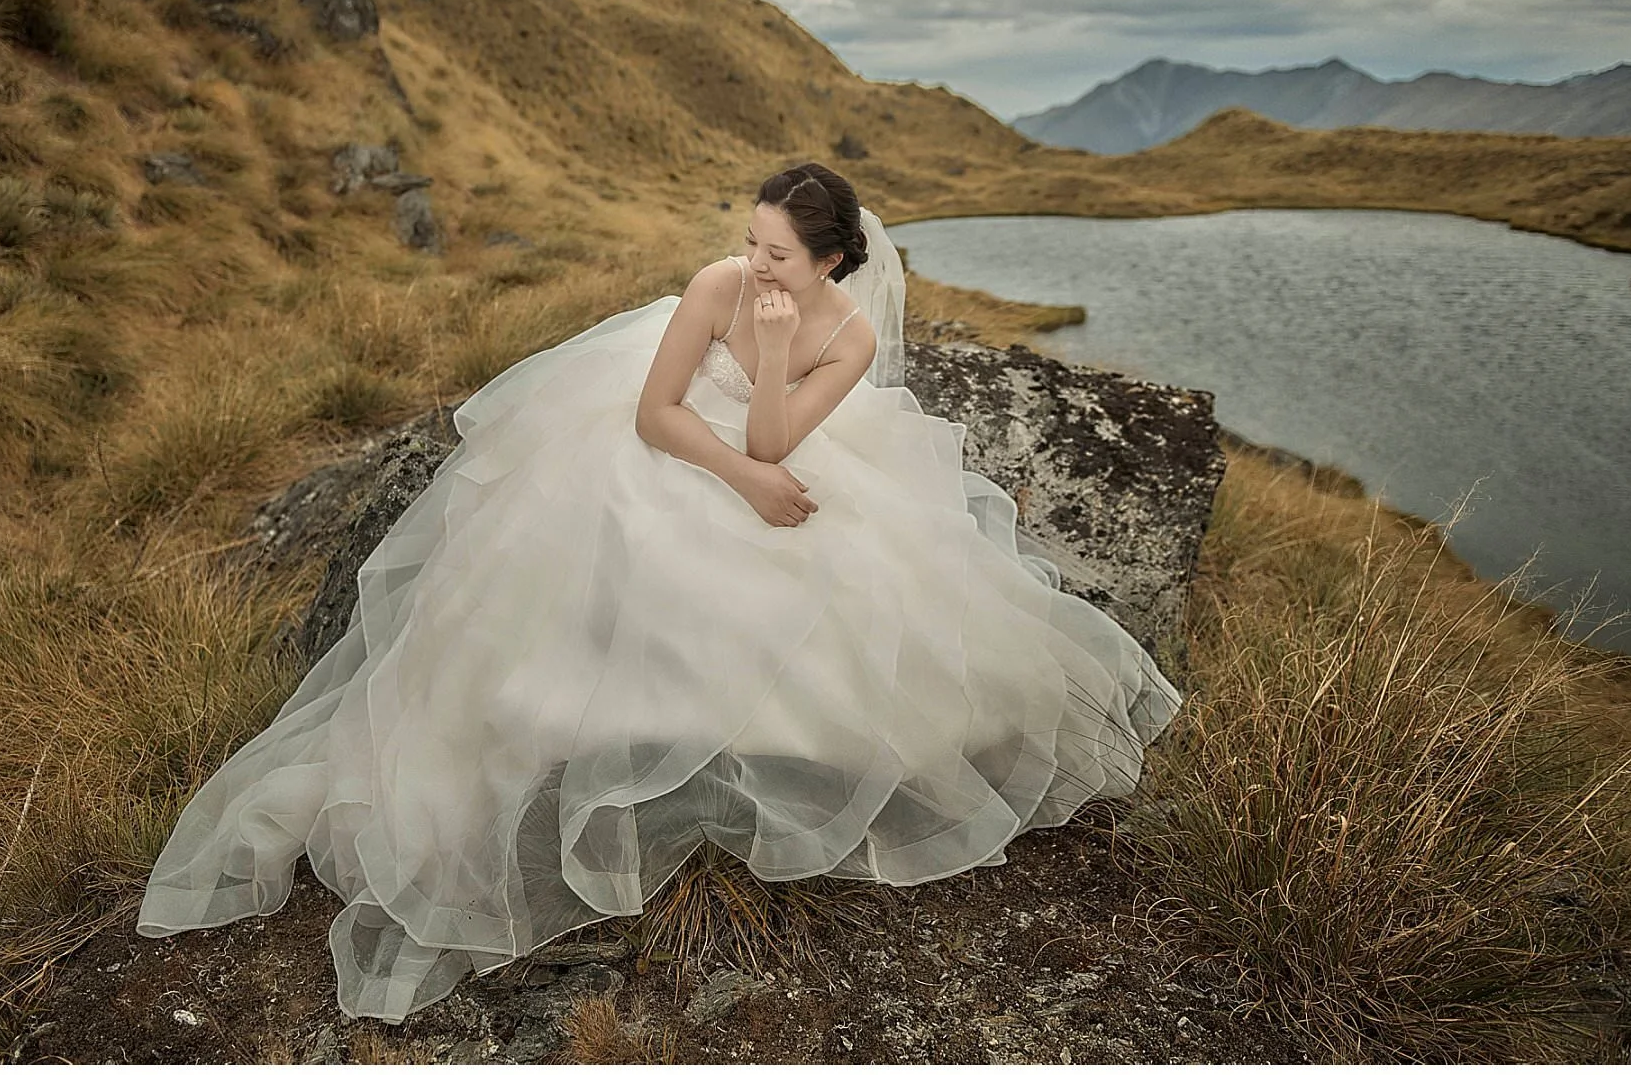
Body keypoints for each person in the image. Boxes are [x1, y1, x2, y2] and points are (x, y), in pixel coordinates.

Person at [136, 161, 1182, 1023]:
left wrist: (776, 359)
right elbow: (656, 414)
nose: (755, 261)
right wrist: (744, 478)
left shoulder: (847, 336)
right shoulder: (714, 286)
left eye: (778, 252)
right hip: (662, 440)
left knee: (835, 618)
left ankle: (735, 758)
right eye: (752, 239)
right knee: (634, 556)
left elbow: (773, 439)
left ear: (829, 261)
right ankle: (597, 734)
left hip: (763, 437)